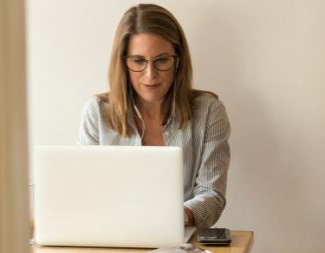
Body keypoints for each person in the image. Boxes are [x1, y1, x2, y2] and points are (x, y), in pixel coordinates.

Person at [77, 3, 230, 229]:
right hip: (112, 237)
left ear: (177, 60)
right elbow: (86, 192)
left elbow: (212, 195)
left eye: (161, 60)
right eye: (138, 61)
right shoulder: (97, 112)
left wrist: (175, 217)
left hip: (179, 240)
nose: (150, 75)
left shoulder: (208, 110)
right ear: (123, 63)